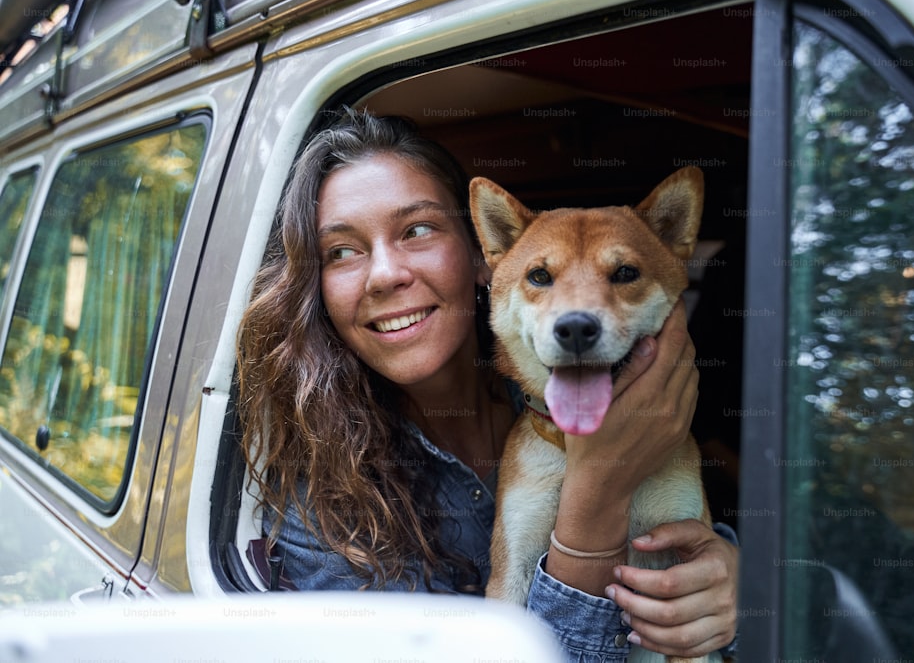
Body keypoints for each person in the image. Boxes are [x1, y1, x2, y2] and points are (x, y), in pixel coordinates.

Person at [237, 107, 739, 661]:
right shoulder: (318, 510)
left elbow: (709, 577)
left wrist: (734, 583)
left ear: (481, 255)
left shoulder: (652, 422)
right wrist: (598, 489)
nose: (385, 275)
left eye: (418, 229)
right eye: (342, 251)